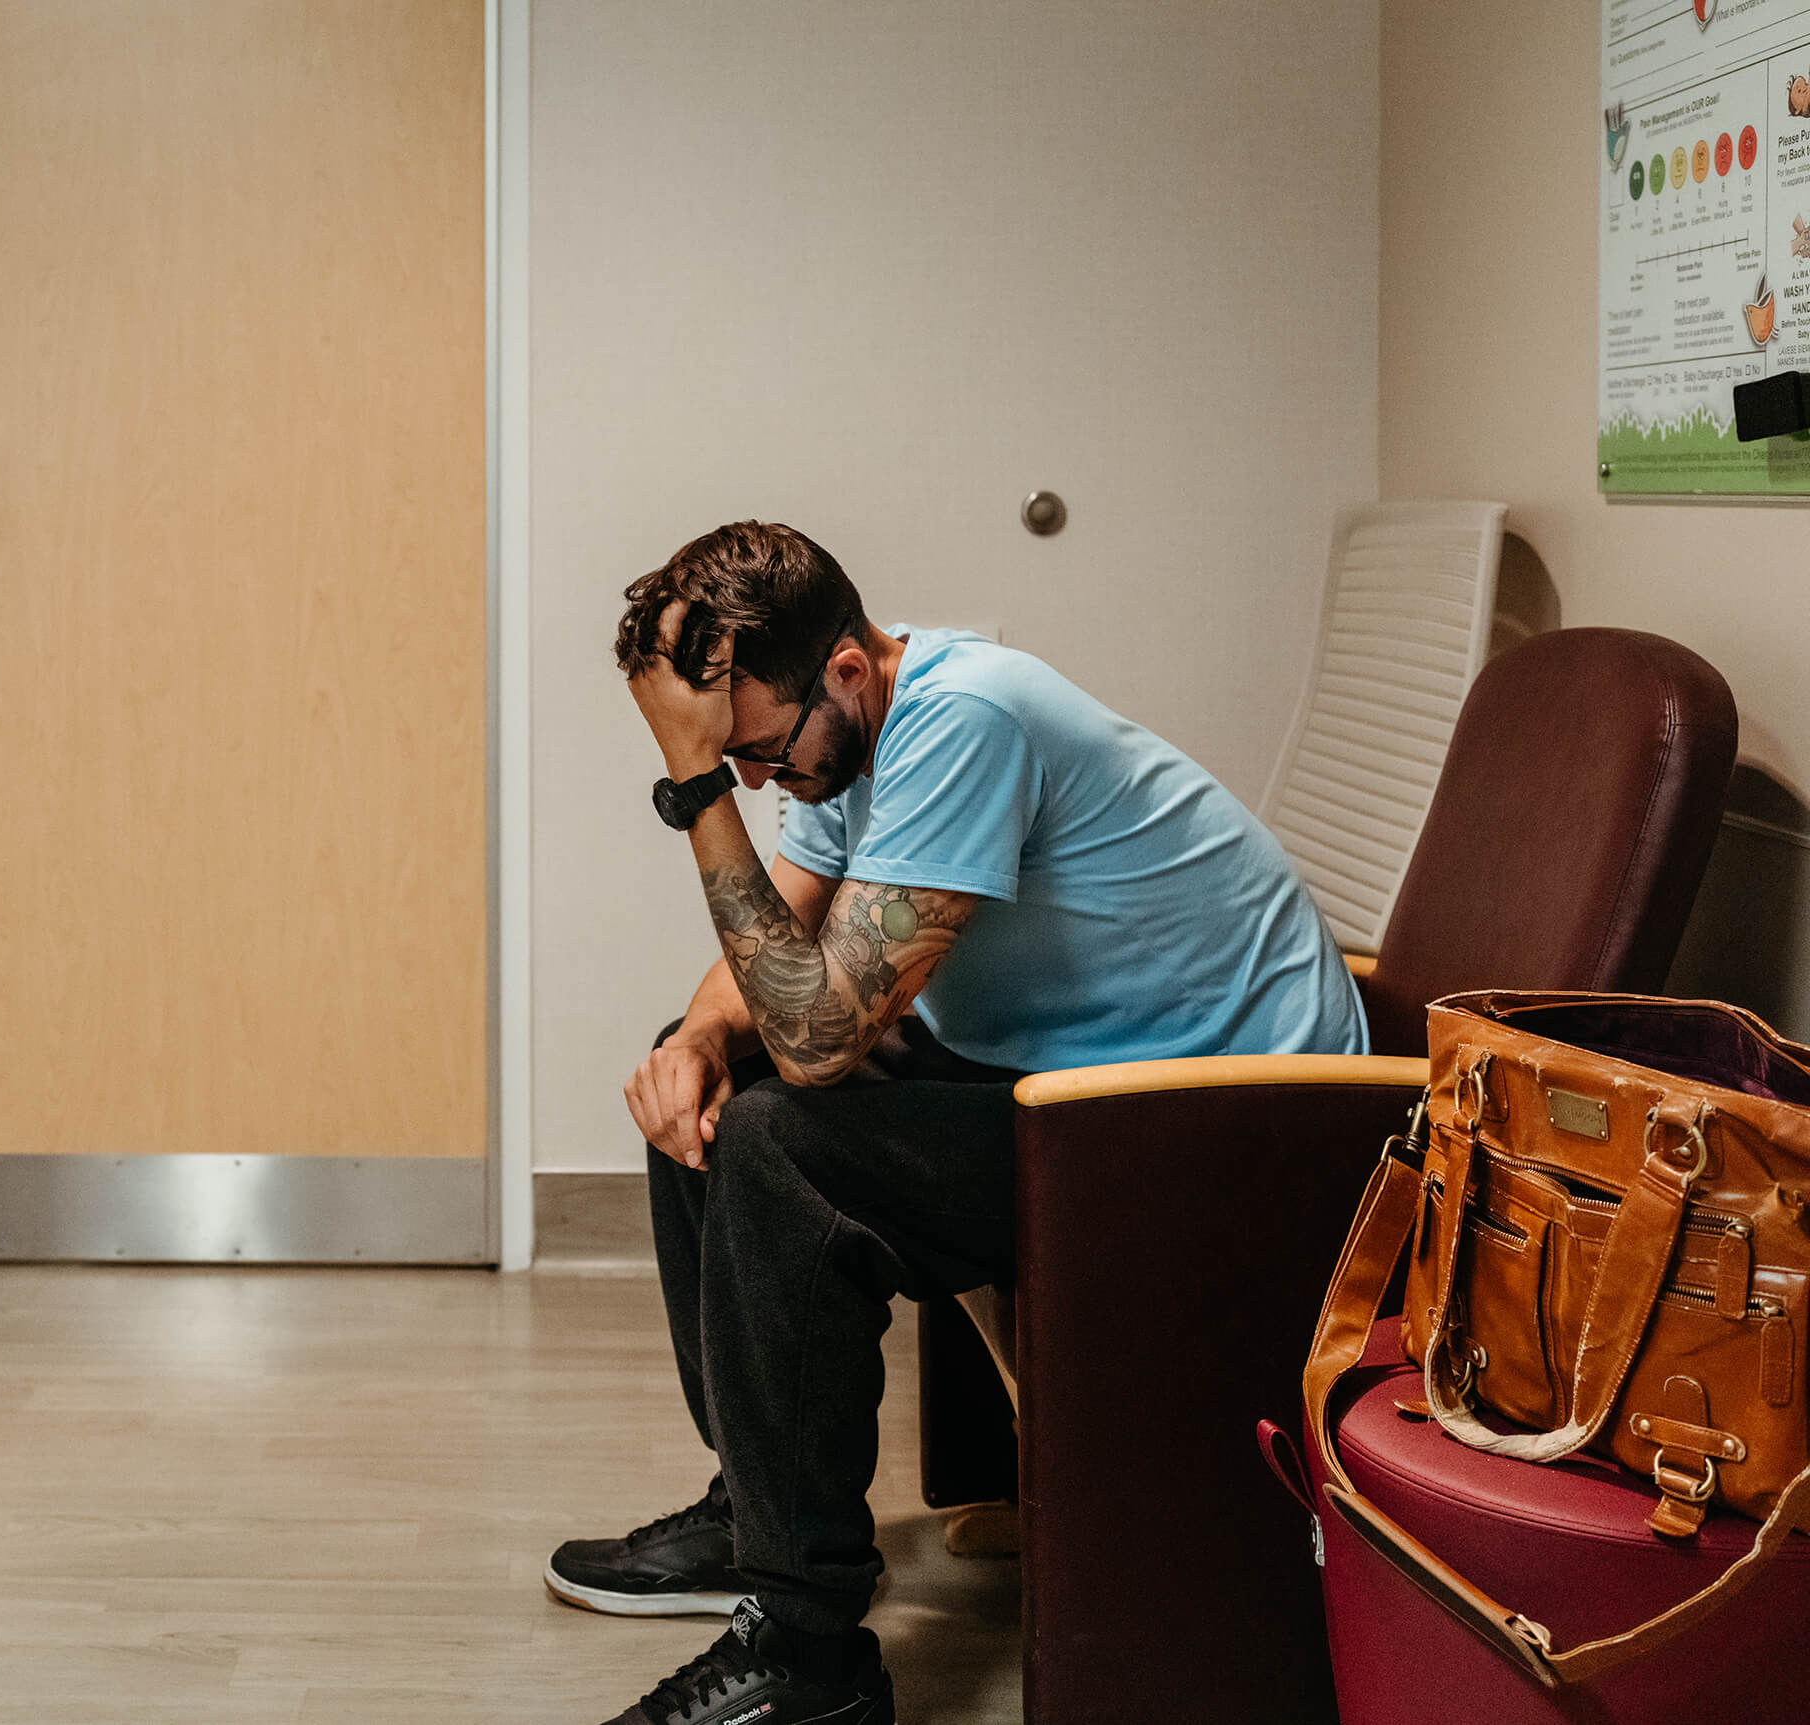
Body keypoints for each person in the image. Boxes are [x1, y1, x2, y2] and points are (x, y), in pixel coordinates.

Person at [549, 521, 1368, 1725]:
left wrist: (695, 789)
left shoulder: (965, 719)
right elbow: (773, 945)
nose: (766, 784)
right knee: (716, 1094)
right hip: (1078, 1088)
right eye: (746, 766)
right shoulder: (853, 729)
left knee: (784, 1144)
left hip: (1230, 1124)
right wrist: (691, 1044)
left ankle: (811, 1663)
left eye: (765, 755)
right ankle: (757, 1506)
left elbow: (821, 1037)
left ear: (840, 671)